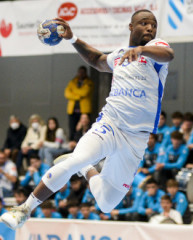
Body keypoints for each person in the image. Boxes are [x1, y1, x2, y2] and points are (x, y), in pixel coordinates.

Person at [1, 9, 174, 230]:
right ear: (131, 27)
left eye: (153, 24)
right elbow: (98, 60)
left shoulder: (157, 51)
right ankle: (23, 209)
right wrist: (72, 38)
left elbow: (169, 55)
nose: (150, 27)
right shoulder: (120, 54)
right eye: (144, 23)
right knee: (75, 160)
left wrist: (141, 50)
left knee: (106, 204)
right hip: (109, 125)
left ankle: (87, 168)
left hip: (136, 139)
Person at [64, 66, 94, 140]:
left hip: (84, 111)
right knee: (72, 128)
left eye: (82, 72)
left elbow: (84, 92)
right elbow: (67, 93)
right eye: (79, 72)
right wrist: (78, 96)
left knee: (83, 128)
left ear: (85, 73)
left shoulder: (89, 82)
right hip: (72, 111)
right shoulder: (73, 81)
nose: (81, 74)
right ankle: (72, 143)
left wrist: (73, 91)